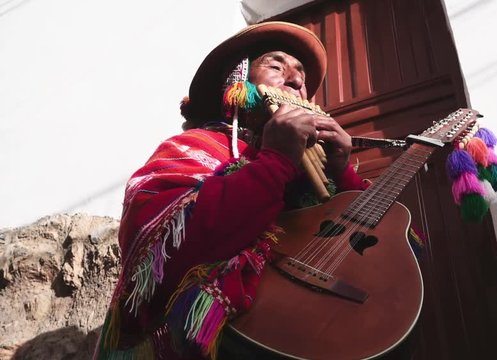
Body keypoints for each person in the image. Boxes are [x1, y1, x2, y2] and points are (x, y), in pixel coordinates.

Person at [94, 21, 369, 359]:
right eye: (276, 66)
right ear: (239, 80)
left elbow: (386, 257)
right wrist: (276, 161)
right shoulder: (191, 147)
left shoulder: (323, 172)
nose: (297, 81)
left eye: (301, 76)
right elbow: (163, 254)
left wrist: (343, 176)